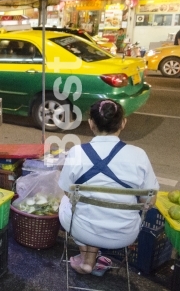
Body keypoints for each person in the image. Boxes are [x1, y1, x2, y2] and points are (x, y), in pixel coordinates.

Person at [57, 99, 159, 276]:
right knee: (97, 206)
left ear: (91, 124)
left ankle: (87, 260)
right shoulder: (139, 155)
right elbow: (149, 201)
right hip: (125, 234)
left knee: (68, 199)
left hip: (82, 229)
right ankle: (89, 261)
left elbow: (67, 191)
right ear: (123, 123)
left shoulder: (77, 152)